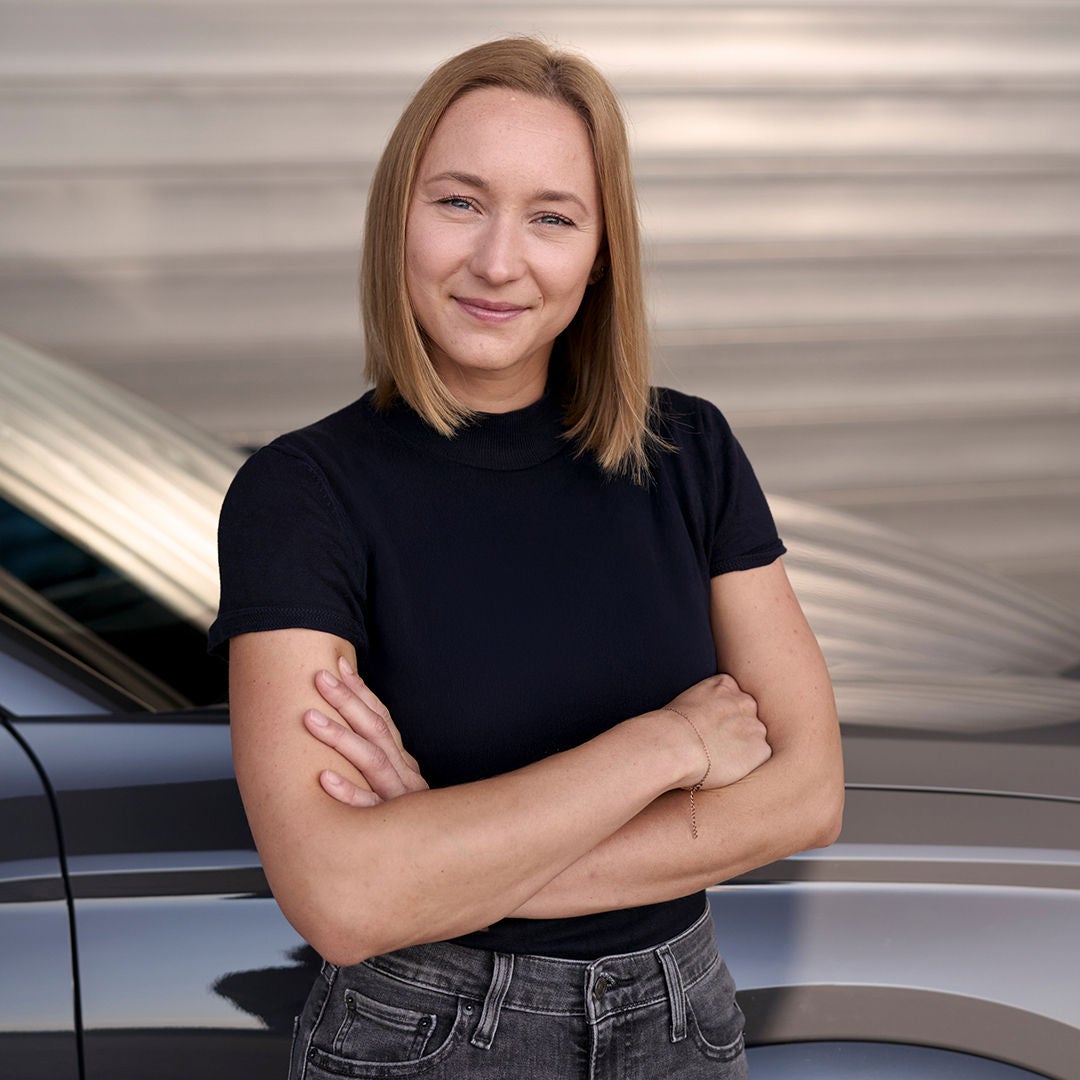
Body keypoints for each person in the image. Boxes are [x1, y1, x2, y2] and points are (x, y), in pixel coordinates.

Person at [209, 36, 843, 1080]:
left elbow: (809, 797)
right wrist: (668, 745)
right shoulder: (300, 494)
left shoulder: (691, 454)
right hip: (425, 1034)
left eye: (552, 217)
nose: (499, 261)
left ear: (601, 253)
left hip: (682, 1023)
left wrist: (434, 855)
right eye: (459, 202)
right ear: (396, 219)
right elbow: (343, 901)